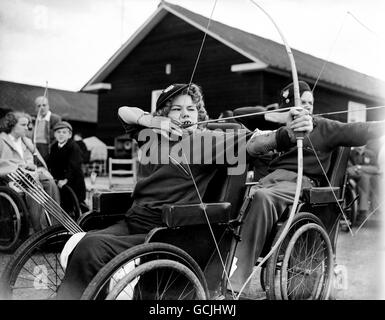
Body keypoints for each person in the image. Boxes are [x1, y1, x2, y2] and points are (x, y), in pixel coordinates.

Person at [56, 82, 314, 299]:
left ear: (199, 115)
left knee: (92, 248)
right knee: (85, 244)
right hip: (133, 221)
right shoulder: (151, 136)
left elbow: (255, 144)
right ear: (164, 115)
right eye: (177, 109)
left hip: (166, 231)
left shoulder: (207, 140)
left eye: (191, 109)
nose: (185, 114)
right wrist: (151, 120)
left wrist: (288, 134)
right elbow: (124, 111)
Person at [228, 81, 385, 294]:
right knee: (232, 203)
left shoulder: (323, 126)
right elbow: (239, 115)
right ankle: (218, 275)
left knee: (263, 198)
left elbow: (358, 130)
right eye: (302, 102)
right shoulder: (277, 127)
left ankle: (235, 286)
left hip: (299, 184)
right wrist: (282, 118)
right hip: (269, 182)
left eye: (310, 102)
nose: (308, 106)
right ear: (287, 103)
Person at [0, 111, 60, 233]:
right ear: (12, 125)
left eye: (27, 125)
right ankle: (37, 231)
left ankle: (54, 225)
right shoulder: (1, 140)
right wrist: (18, 166)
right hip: (10, 176)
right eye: (23, 125)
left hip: (27, 174)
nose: (26, 128)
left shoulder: (25, 141)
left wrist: (31, 165)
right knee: (35, 184)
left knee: (50, 182)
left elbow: (29, 159)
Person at [47, 121, 87, 205]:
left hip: (73, 180)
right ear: (54, 134)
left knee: (74, 202)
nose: (61, 134)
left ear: (69, 135)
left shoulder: (73, 147)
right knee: (61, 201)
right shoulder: (54, 147)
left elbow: (74, 165)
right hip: (59, 180)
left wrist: (66, 179)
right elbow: (50, 162)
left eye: (64, 132)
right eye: (58, 132)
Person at [347, 139, 382, 224]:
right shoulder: (350, 154)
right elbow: (350, 169)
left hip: (370, 177)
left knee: (377, 179)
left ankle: (377, 207)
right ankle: (363, 210)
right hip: (356, 178)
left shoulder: (370, 154)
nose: (360, 146)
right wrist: (365, 170)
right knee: (365, 178)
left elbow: (376, 169)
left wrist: (359, 168)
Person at [33, 95, 61, 161]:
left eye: (44, 105)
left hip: (47, 147)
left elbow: (58, 136)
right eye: (39, 106)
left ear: (48, 106)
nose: (42, 108)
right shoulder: (34, 119)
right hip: (34, 146)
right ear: (36, 108)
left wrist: (51, 148)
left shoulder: (55, 118)